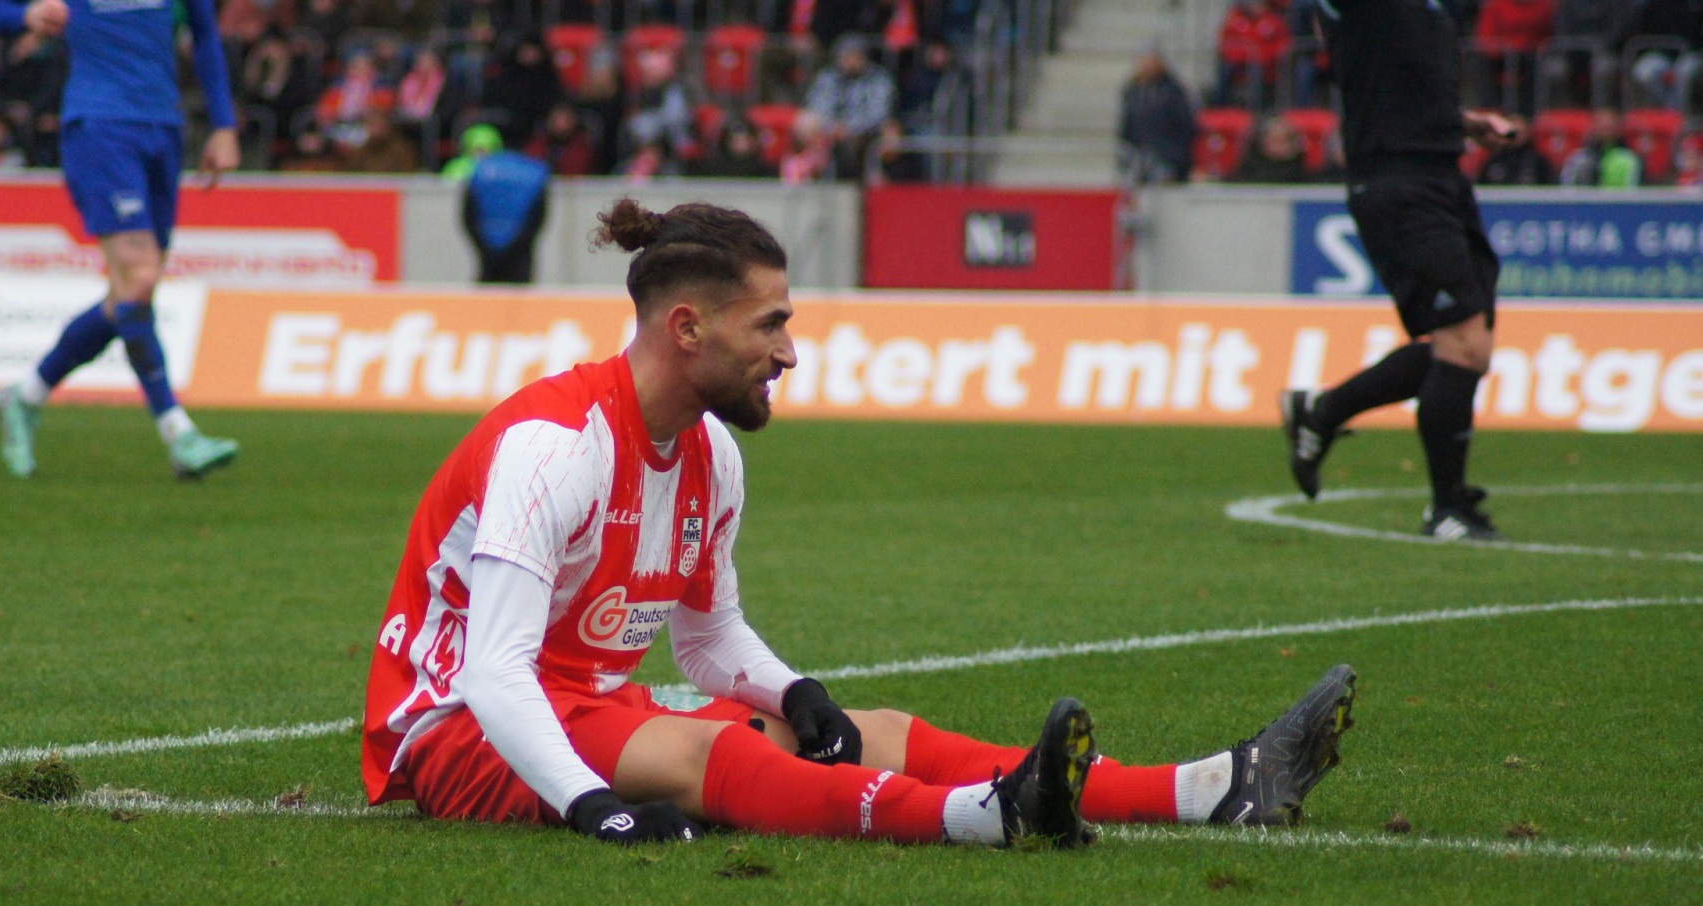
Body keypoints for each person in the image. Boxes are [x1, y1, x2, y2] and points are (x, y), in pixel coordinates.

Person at [359, 198, 1362, 848]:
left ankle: (1203, 790)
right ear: (686, 328)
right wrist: (591, 804)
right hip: (452, 726)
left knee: (864, 731)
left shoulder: (711, 455)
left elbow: (706, 639)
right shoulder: (554, 444)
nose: (787, 352)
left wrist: (795, 691)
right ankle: (986, 818)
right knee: (716, 760)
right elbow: (493, 669)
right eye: (771, 324)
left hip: (578, 702)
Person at [1280, 0, 1526, 541]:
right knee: (1462, 345)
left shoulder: (1432, 12)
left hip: (1441, 174)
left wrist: (1464, 125)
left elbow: (1400, 86)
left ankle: (1323, 412)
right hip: (1398, 182)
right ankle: (1446, 509)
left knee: (1468, 348)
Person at [0, 0, 242, 480]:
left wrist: (223, 125)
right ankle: (178, 433)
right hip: (99, 126)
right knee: (140, 279)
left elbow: (205, 37)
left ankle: (27, 395)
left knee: (128, 294)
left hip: (163, 128)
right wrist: (26, 15)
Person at [460, 123, 549, 283]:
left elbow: (469, 215)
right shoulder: (536, 173)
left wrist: (484, 247)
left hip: (486, 252)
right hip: (521, 253)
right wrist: (519, 245)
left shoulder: (479, 171)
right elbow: (538, 217)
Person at [802, 35, 896, 179]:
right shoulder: (827, 78)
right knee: (807, 123)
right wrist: (833, 127)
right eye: (847, 56)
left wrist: (850, 128)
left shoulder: (878, 79)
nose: (851, 61)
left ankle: (872, 178)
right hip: (831, 131)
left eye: (855, 56)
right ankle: (807, 175)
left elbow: (879, 113)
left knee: (890, 131)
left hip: (865, 132)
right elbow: (818, 106)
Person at [1118, 47, 1196, 185]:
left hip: (1166, 155)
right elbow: (1126, 123)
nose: (1147, 65)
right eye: (1144, 61)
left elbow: (1185, 124)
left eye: (1151, 61)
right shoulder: (1133, 89)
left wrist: (1177, 155)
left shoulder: (1172, 91)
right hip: (1140, 154)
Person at [1558, 107, 1642, 186]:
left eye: (1608, 128)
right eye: (1601, 127)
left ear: (1618, 129)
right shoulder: (1577, 159)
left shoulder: (1629, 159)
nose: (1604, 132)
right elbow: (1566, 190)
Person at [1227, 115, 1310, 182]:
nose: (1278, 145)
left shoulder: (1304, 178)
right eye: (1273, 139)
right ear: (1262, 142)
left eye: (1284, 140)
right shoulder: (1245, 176)